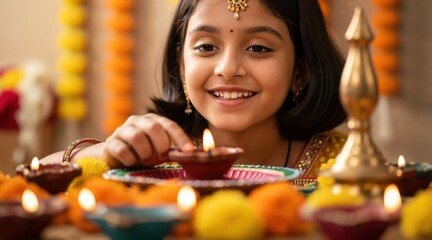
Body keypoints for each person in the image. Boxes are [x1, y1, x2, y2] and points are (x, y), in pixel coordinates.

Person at [43, 0, 347, 183]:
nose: (228, 69)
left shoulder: (341, 162)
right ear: (182, 65)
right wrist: (105, 154)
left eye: (258, 47)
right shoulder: (156, 157)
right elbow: (27, 182)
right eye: (206, 47)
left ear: (300, 71)